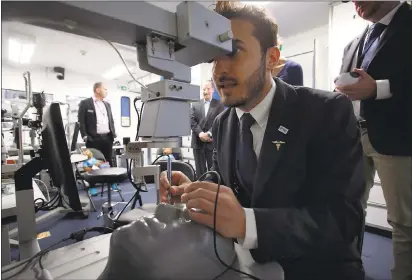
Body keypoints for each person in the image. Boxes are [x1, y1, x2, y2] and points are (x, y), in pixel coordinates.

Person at [159, 2, 365, 280]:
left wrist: (247, 225)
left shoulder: (326, 112)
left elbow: (343, 220)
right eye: (214, 58)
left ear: (271, 58)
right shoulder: (223, 122)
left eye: (234, 52)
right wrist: (197, 192)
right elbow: (229, 185)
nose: (219, 71)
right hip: (249, 266)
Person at [336, 2, 412, 280]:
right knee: (349, 208)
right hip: (353, 137)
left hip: (399, 137)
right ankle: (349, 269)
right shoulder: (352, 44)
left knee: (405, 222)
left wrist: (378, 88)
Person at [190, 81, 225, 177]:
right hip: (197, 142)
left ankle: (212, 190)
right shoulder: (195, 104)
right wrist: (200, 133)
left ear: (213, 90)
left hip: (211, 143)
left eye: (208, 89)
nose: (206, 91)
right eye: (204, 89)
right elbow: (191, 121)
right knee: (200, 171)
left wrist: (209, 133)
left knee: (213, 171)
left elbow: (219, 121)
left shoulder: (219, 104)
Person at [78, 82, 116, 166]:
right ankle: (95, 179)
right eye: (105, 89)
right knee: (93, 163)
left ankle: (108, 179)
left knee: (107, 161)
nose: (106, 91)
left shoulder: (107, 104)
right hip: (93, 139)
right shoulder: (85, 103)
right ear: (98, 90)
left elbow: (111, 120)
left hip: (107, 139)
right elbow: (81, 121)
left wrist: (113, 134)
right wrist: (85, 136)